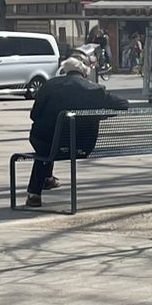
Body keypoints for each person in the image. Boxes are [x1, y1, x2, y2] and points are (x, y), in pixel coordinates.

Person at [24, 54, 128, 207]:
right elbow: (123, 104)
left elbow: (34, 115)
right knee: (55, 141)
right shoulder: (95, 90)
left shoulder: (49, 85)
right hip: (82, 145)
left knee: (47, 144)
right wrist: (99, 115)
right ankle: (47, 179)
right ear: (85, 72)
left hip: (46, 143)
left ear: (65, 70)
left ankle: (35, 194)